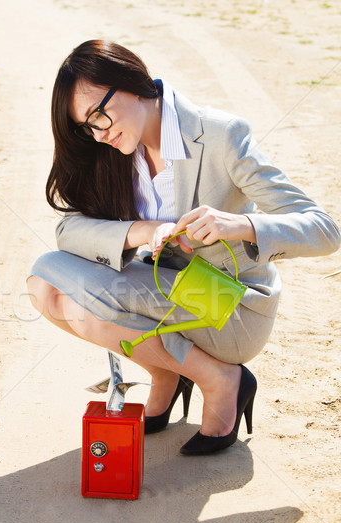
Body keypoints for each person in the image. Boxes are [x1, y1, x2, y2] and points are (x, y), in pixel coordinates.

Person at [27, 40, 340, 455]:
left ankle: (219, 379)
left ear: (129, 83)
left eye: (98, 116)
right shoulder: (118, 149)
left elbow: (324, 230)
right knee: (45, 288)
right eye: (88, 126)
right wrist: (144, 230)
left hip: (229, 308)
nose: (99, 133)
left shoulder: (221, 135)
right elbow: (70, 228)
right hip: (168, 292)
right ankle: (174, 373)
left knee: (72, 295)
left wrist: (241, 225)